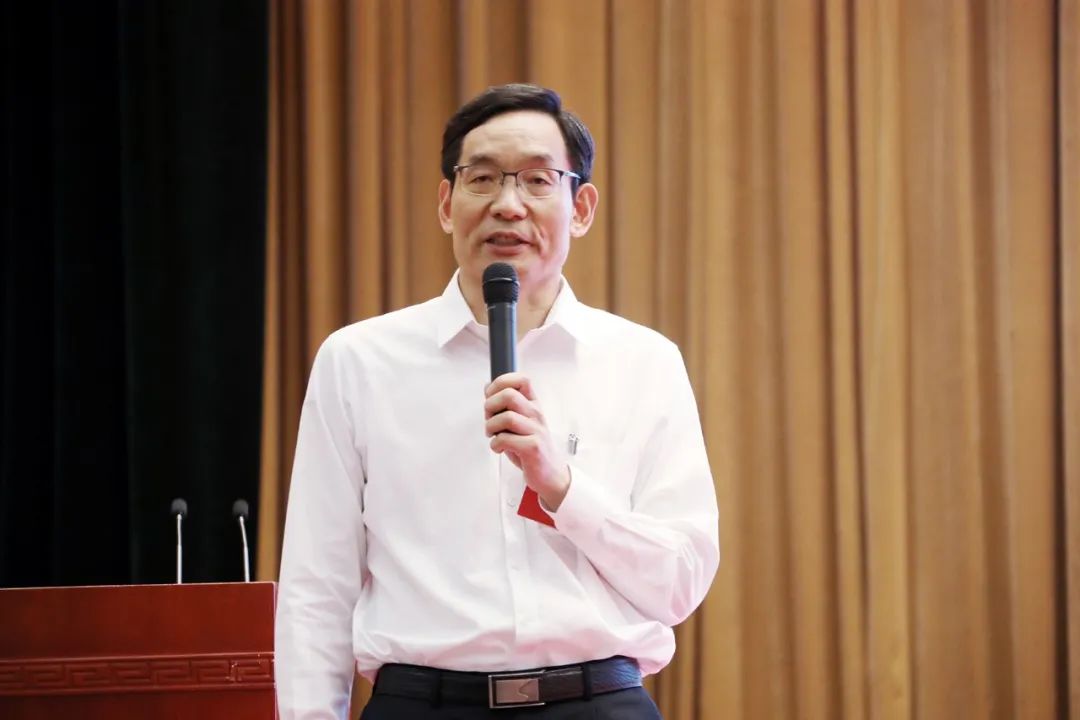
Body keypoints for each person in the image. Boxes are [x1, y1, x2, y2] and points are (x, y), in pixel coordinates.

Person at [275, 83, 719, 719]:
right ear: (446, 204)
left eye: (538, 180)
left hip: (596, 703)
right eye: (482, 179)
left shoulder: (644, 362)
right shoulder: (360, 361)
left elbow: (678, 584)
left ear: (581, 208)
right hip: (423, 704)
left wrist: (560, 486)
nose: (508, 205)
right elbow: (317, 590)